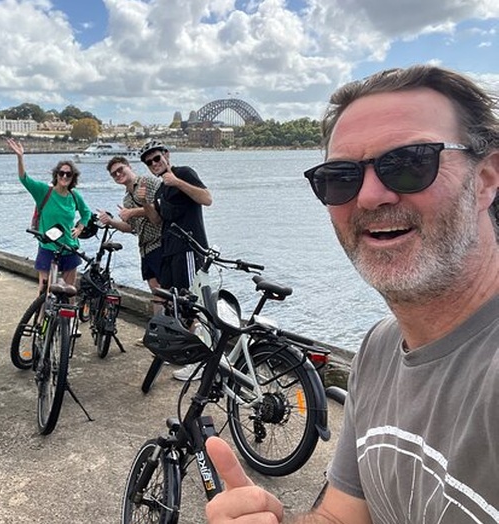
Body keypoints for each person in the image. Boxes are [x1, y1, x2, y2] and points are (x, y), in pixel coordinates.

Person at [205, 65, 499, 523]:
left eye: (408, 163)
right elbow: (343, 516)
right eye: (341, 177)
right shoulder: (380, 348)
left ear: (485, 179)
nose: (369, 196)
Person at [137, 139, 213, 380]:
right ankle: (178, 349)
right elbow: (157, 220)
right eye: (149, 163)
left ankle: (198, 361)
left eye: (157, 158)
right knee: (170, 300)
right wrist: (146, 203)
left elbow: (207, 199)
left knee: (191, 304)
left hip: (188, 249)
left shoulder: (183, 173)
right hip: (170, 250)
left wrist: (178, 182)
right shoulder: (161, 188)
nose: (154, 164)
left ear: (167, 155)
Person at [6, 137, 91, 293]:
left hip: (69, 247)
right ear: (56, 175)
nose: (64, 177)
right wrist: (20, 157)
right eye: (61, 173)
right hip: (48, 247)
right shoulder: (44, 191)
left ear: (73, 178)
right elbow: (24, 179)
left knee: (69, 291)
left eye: (69, 174)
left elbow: (86, 213)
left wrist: (79, 228)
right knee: (45, 291)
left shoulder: (74, 196)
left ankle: (68, 318)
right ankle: (41, 316)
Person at [98, 155, 164, 312]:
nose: (118, 175)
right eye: (114, 174)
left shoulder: (147, 182)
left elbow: (161, 207)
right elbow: (132, 228)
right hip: (145, 249)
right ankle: (158, 330)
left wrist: (132, 212)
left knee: (165, 293)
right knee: (156, 294)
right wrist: (111, 221)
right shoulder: (127, 199)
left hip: (160, 244)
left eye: (120, 170)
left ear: (129, 166)